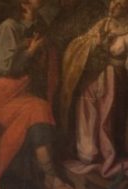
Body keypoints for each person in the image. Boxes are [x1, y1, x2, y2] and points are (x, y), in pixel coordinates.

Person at [0, 0, 74, 189]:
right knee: (37, 108)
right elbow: (3, 68)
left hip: (20, 92)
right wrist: (30, 51)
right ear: (24, 3)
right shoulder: (9, 27)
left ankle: (48, 175)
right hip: (0, 95)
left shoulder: (38, 26)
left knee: (39, 106)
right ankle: (50, 175)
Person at [60, 0, 128, 178]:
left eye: (120, 5)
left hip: (113, 80)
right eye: (113, 3)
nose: (114, 7)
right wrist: (92, 43)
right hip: (92, 78)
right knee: (86, 109)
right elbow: (81, 44)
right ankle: (88, 152)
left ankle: (108, 154)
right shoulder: (103, 24)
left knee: (105, 117)